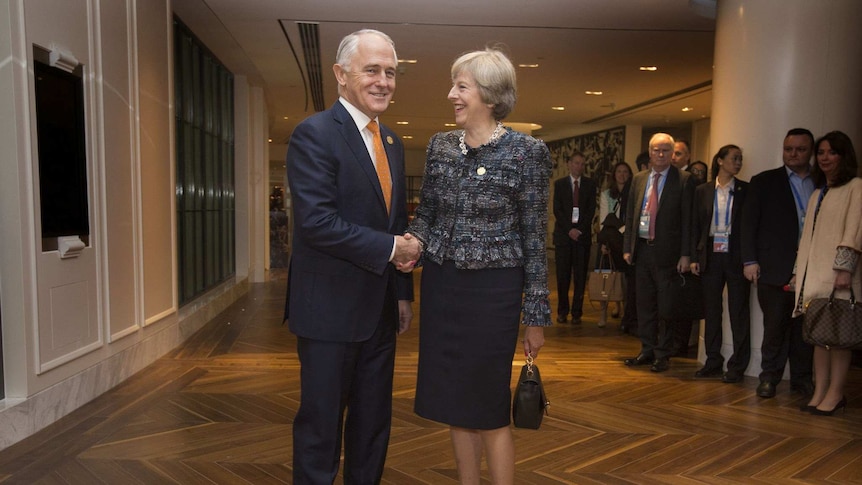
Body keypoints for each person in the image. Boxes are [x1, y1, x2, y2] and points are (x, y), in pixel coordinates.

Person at [407, 47, 552, 485]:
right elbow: (427, 215)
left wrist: (536, 317)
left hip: (494, 295)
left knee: (488, 407)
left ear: (488, 95)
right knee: (455, 403)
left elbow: (534, 237)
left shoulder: (527, 152)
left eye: (461, 86)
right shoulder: (440, 147)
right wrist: (410, 241)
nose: (451, 93)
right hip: (441, 287)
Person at [284, 29, 419, 484]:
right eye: (372, 70)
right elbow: (317, 224)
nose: (384, 81)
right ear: (341, 76)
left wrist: (402, 292)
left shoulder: (393, 143)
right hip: (327, 314)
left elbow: (394, 220)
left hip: (380, 311)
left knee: (372, 427)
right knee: (321, 432)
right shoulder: (315, 134)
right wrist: (391, 249)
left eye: (391, 72)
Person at [741, 128, 816, 399]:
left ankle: (802, 380)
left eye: (800, 149)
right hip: (774, 267)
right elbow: (748, 224)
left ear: (811, 151)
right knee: (774, 327)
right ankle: (769, 378)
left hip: (812, 269)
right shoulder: (764, 181)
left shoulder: (822, 183)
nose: (793, 154)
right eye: (788, 149)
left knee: (804, 332)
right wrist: (750, 260)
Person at [794, 131, 862, 415]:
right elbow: (805, 238)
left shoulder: (855, 187)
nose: (824, 158)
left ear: (843, 156)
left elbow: (855, 229)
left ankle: (835, 393)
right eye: (820, 153)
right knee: (819, 338)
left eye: (831, 152)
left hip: (838, 276)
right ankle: (819, 391)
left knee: (839, 337)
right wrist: (798, 273)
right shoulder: (818, 192)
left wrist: (844, 269)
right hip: (814, 275)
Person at [622, 133, 696, 372]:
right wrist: (627, 248)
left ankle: (663, 354)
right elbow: (632, 215)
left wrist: (686, 254)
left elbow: (688, 220)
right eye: (656, 150)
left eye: (666, 150)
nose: (661, 155)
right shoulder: (639, 179)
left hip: (669, 254)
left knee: (666, 307)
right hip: (642, 250)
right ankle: (647, 349)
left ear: (672, 153)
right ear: (650, 152)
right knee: (644, 305)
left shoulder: (684, 180)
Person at [690, 145, 751, 383]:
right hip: (710, 254)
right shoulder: (703, 191)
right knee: (712, 310)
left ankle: (738, 365)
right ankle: (713, 360)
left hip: (736, 256)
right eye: (734, 158)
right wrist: (694, 256)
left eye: (741, 159)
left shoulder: (746, 190)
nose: (738, 163)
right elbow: (695, 225)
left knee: (739, 311)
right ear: (720, 161)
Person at [553, 152, 598, 324]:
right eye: (576, 163)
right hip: (564, 237)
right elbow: (558, 210)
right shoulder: (560, 184)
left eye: (582, 164)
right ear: (569, 164)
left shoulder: (589, 184)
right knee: (563, 276)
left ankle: (577, 312)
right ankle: (562, 311)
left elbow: (590, 210)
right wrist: (569, 229)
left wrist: (579, 229)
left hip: (582, 237)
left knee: (580, 277)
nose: (579, 166)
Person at [597, 161, 633, 328]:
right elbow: (604, 220)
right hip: (610, 239)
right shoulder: (606, 195)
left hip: (626, 240)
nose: (622, 175)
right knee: (606, 275)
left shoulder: (633, 193)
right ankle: (603, 313)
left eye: (625, 171)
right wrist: (604, 242)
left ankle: (625, 312)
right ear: (614, 174)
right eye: (619, 171)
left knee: (625, 278)